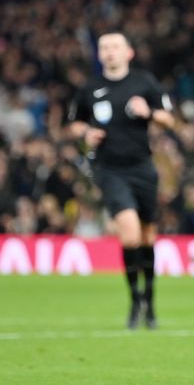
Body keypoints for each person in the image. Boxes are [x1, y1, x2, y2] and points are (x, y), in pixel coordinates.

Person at [67, 31, 175, 329]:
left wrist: (148, 112)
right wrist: (85, 133)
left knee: (147, 237)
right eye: (104, 47)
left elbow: (169, 119)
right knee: (129, 236)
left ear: (128, 52)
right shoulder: (90, 88)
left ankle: (150, 300)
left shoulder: (144, 83)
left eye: (115, 46)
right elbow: (74, 124)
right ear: (99, 54)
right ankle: (135, 300)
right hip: (110, 170)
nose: (109, 51)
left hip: (143, 168)